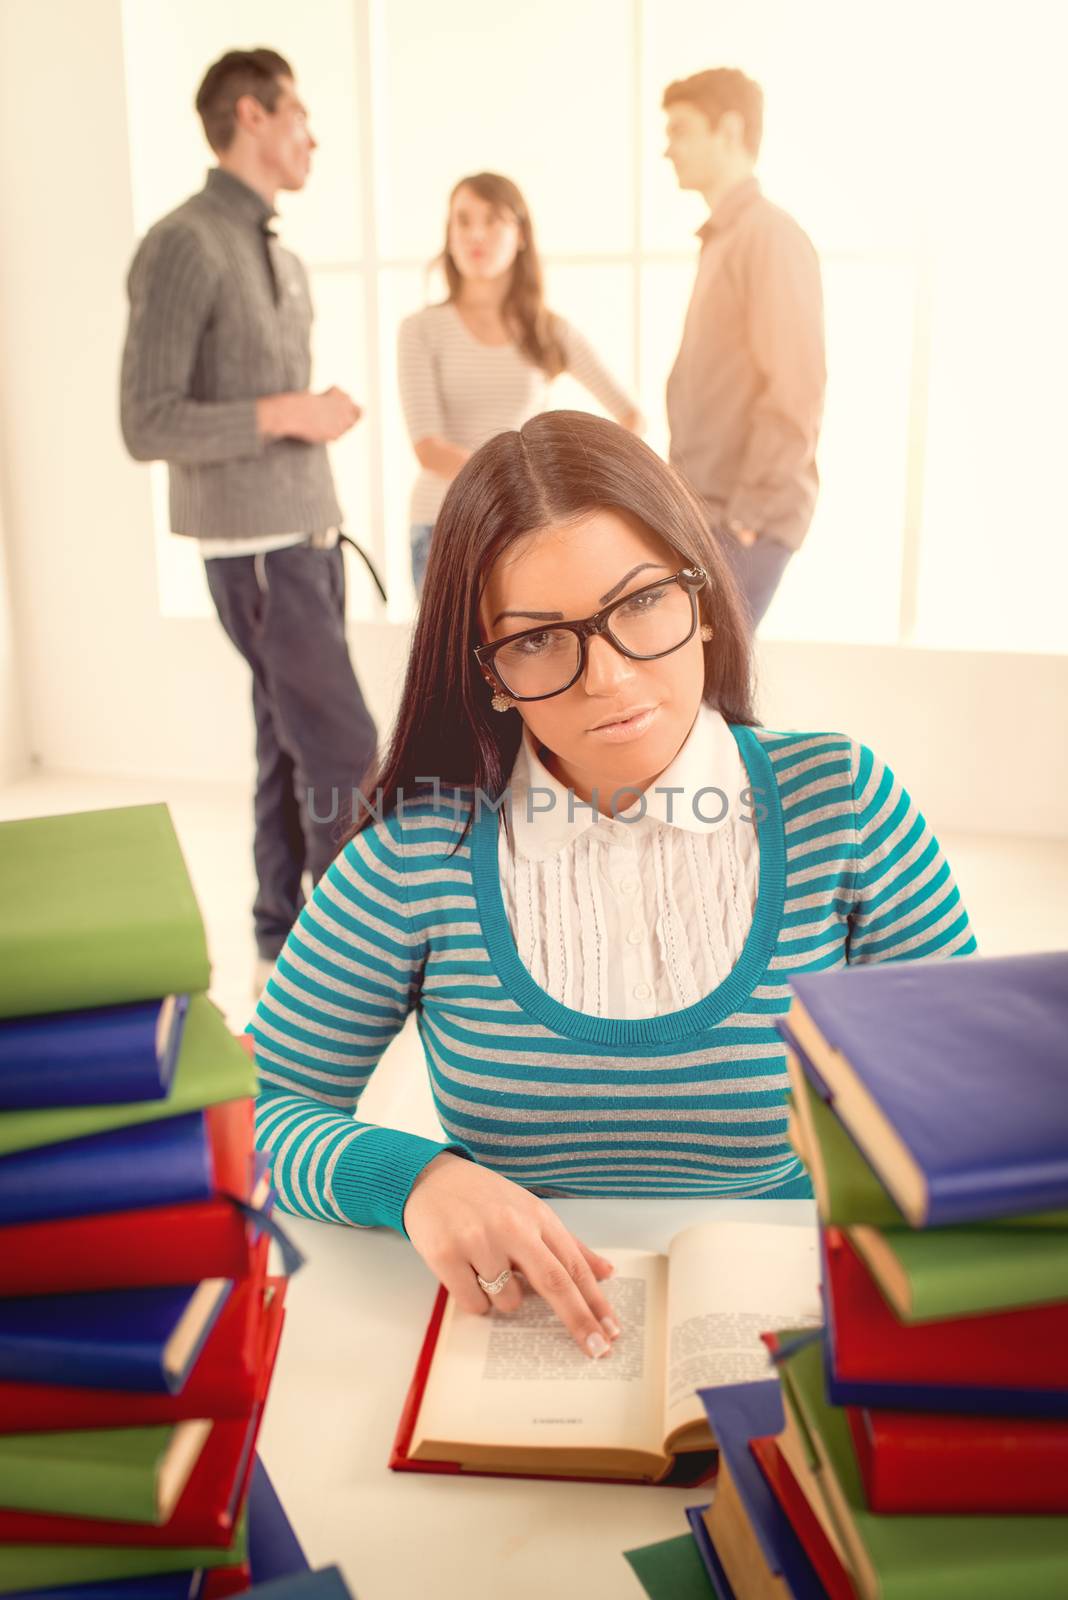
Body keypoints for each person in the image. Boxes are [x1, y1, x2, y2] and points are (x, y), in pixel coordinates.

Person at [248, 412, 976, 1361]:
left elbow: (972, 1104)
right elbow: (252, 1112)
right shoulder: (417, 853)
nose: (608, 676)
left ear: (705, 600)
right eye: (540, 640)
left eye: (640, 605)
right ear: (491, 674)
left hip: (800, 1331)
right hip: (521, 1340)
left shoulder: (844, 804)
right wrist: (413, 1179)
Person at [120, 48, 377, 991]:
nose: (314, 134)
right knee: (346, 750)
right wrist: (287, 413)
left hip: (309, 538)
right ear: (251, 115)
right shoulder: (184, 243)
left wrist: (302, 417)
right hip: (258, 554)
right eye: (299, 112)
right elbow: (144, 420)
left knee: (289, 739)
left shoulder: (280, 252)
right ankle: (355, 960)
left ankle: (282, 927)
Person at [398, 172, 643, 597]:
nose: (476, 234)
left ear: (522, 234)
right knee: (456, 665)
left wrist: (571, 483)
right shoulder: (422, 329)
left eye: (492, 220)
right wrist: (519, 478)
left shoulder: (549, 332)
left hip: (523, 533)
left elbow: (632, 417)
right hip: (443, 525)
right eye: (463, 220)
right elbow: (428, 449)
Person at [663, 68, 826, 628]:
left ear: (729, 130)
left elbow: (797, 385)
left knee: (710, 689)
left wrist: (747, 516)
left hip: (742, 518)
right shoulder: (725, 239)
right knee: (700, 688)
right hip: (711, 514)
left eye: (681, 130)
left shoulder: (768, 236)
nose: (667, 149)